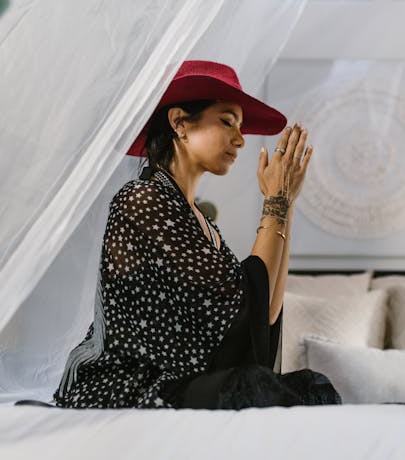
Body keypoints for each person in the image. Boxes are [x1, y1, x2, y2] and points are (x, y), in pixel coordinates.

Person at [54, 60, 340, 409]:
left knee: (313, 386)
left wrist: (286, 202)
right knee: (254, 387)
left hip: (187, 375)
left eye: (241, 128)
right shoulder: (141, 199)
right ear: (179, 123)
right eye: (226, 122)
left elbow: (260, 313)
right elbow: (238, 304)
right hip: (136, 382)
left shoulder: (200, 221)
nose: (240, 140)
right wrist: (275, 202)